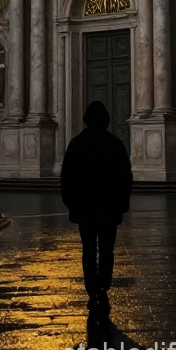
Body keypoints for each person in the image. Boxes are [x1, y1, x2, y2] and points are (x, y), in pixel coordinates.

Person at [61, 101, 133, 315]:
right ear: (107, 121)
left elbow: (67, 178)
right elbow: (125, 177)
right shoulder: (116, 144)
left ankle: (92, 291)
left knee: (89, 249)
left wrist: (71, 203)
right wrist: (123, 202)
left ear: (85, 120)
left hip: (85, 209)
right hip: (110, 208)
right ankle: (103, 286)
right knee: (107, 249)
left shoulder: (76, 144)